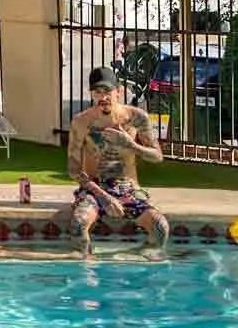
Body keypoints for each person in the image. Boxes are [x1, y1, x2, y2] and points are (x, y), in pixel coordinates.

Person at [67, 67, 169, 253]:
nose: (103, 97)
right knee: (78, 224)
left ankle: (137, 260)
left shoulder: (137, 118)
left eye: (107, 91)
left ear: (119, 91)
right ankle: (87, 269)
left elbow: (157, 157)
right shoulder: (81, 122)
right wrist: (104, 197)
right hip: (95, 188)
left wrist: (131, 145)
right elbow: (73, 169)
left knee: (161, 228)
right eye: (97, 92)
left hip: (127, 188)